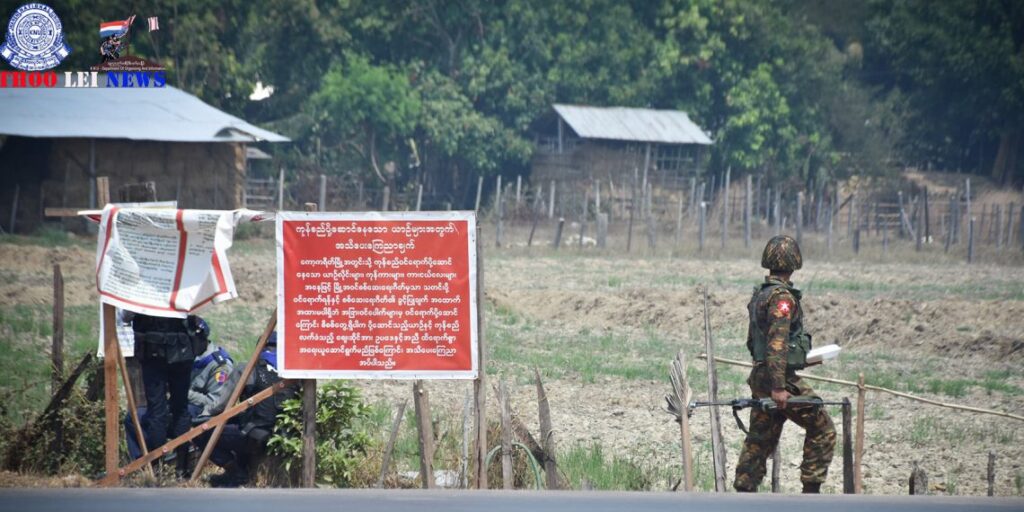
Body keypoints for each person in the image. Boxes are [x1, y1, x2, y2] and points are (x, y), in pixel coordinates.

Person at [733, 235, 836, 493]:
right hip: (779, 379)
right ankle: (810, 492)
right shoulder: (782, 298)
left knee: (760, 438)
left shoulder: (760, 295)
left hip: (761, 374)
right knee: (823, 429)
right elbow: (777, 343)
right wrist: (779, 386)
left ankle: (743, 491)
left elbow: (753, 340)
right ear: (794, 263)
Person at [204, 331, 300, 487]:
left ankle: (236, 473)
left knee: (204, 432)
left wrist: (201, 415)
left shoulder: (248, 369)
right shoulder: (296, 371)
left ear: (259, 348)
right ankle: (243, 471)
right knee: (242, 421)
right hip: (286, 435)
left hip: (256, 435)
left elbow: (220, 405)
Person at [125, 334, 236, 461]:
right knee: (135, 417)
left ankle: (163, 461)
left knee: (160, 420)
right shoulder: (185, 356)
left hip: (199, 413)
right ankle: (143, 463)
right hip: (178, 405)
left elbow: (214, 403)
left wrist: (181, 391)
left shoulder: (219, 365)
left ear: (201, 340)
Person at [131, 313, 209, 476]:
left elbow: (126, 316)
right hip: (182, 349)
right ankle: (182, 468)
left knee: (157, 411)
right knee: (180, 409)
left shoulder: (148, 292)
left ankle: (156, 468)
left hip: (154, 351)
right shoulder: (182, 288)